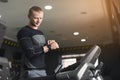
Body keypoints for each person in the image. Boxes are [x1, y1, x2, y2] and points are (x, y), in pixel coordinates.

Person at [17, 6, 59, 79]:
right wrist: (48, 47)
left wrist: (50, 44)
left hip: (42, 70)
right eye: (36, 18)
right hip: (31, 72)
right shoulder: (24, 32)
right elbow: (30, 52)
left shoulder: (40, 32)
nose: (39, 21)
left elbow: (43, 50)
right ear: (29, 16)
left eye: (41, 18)